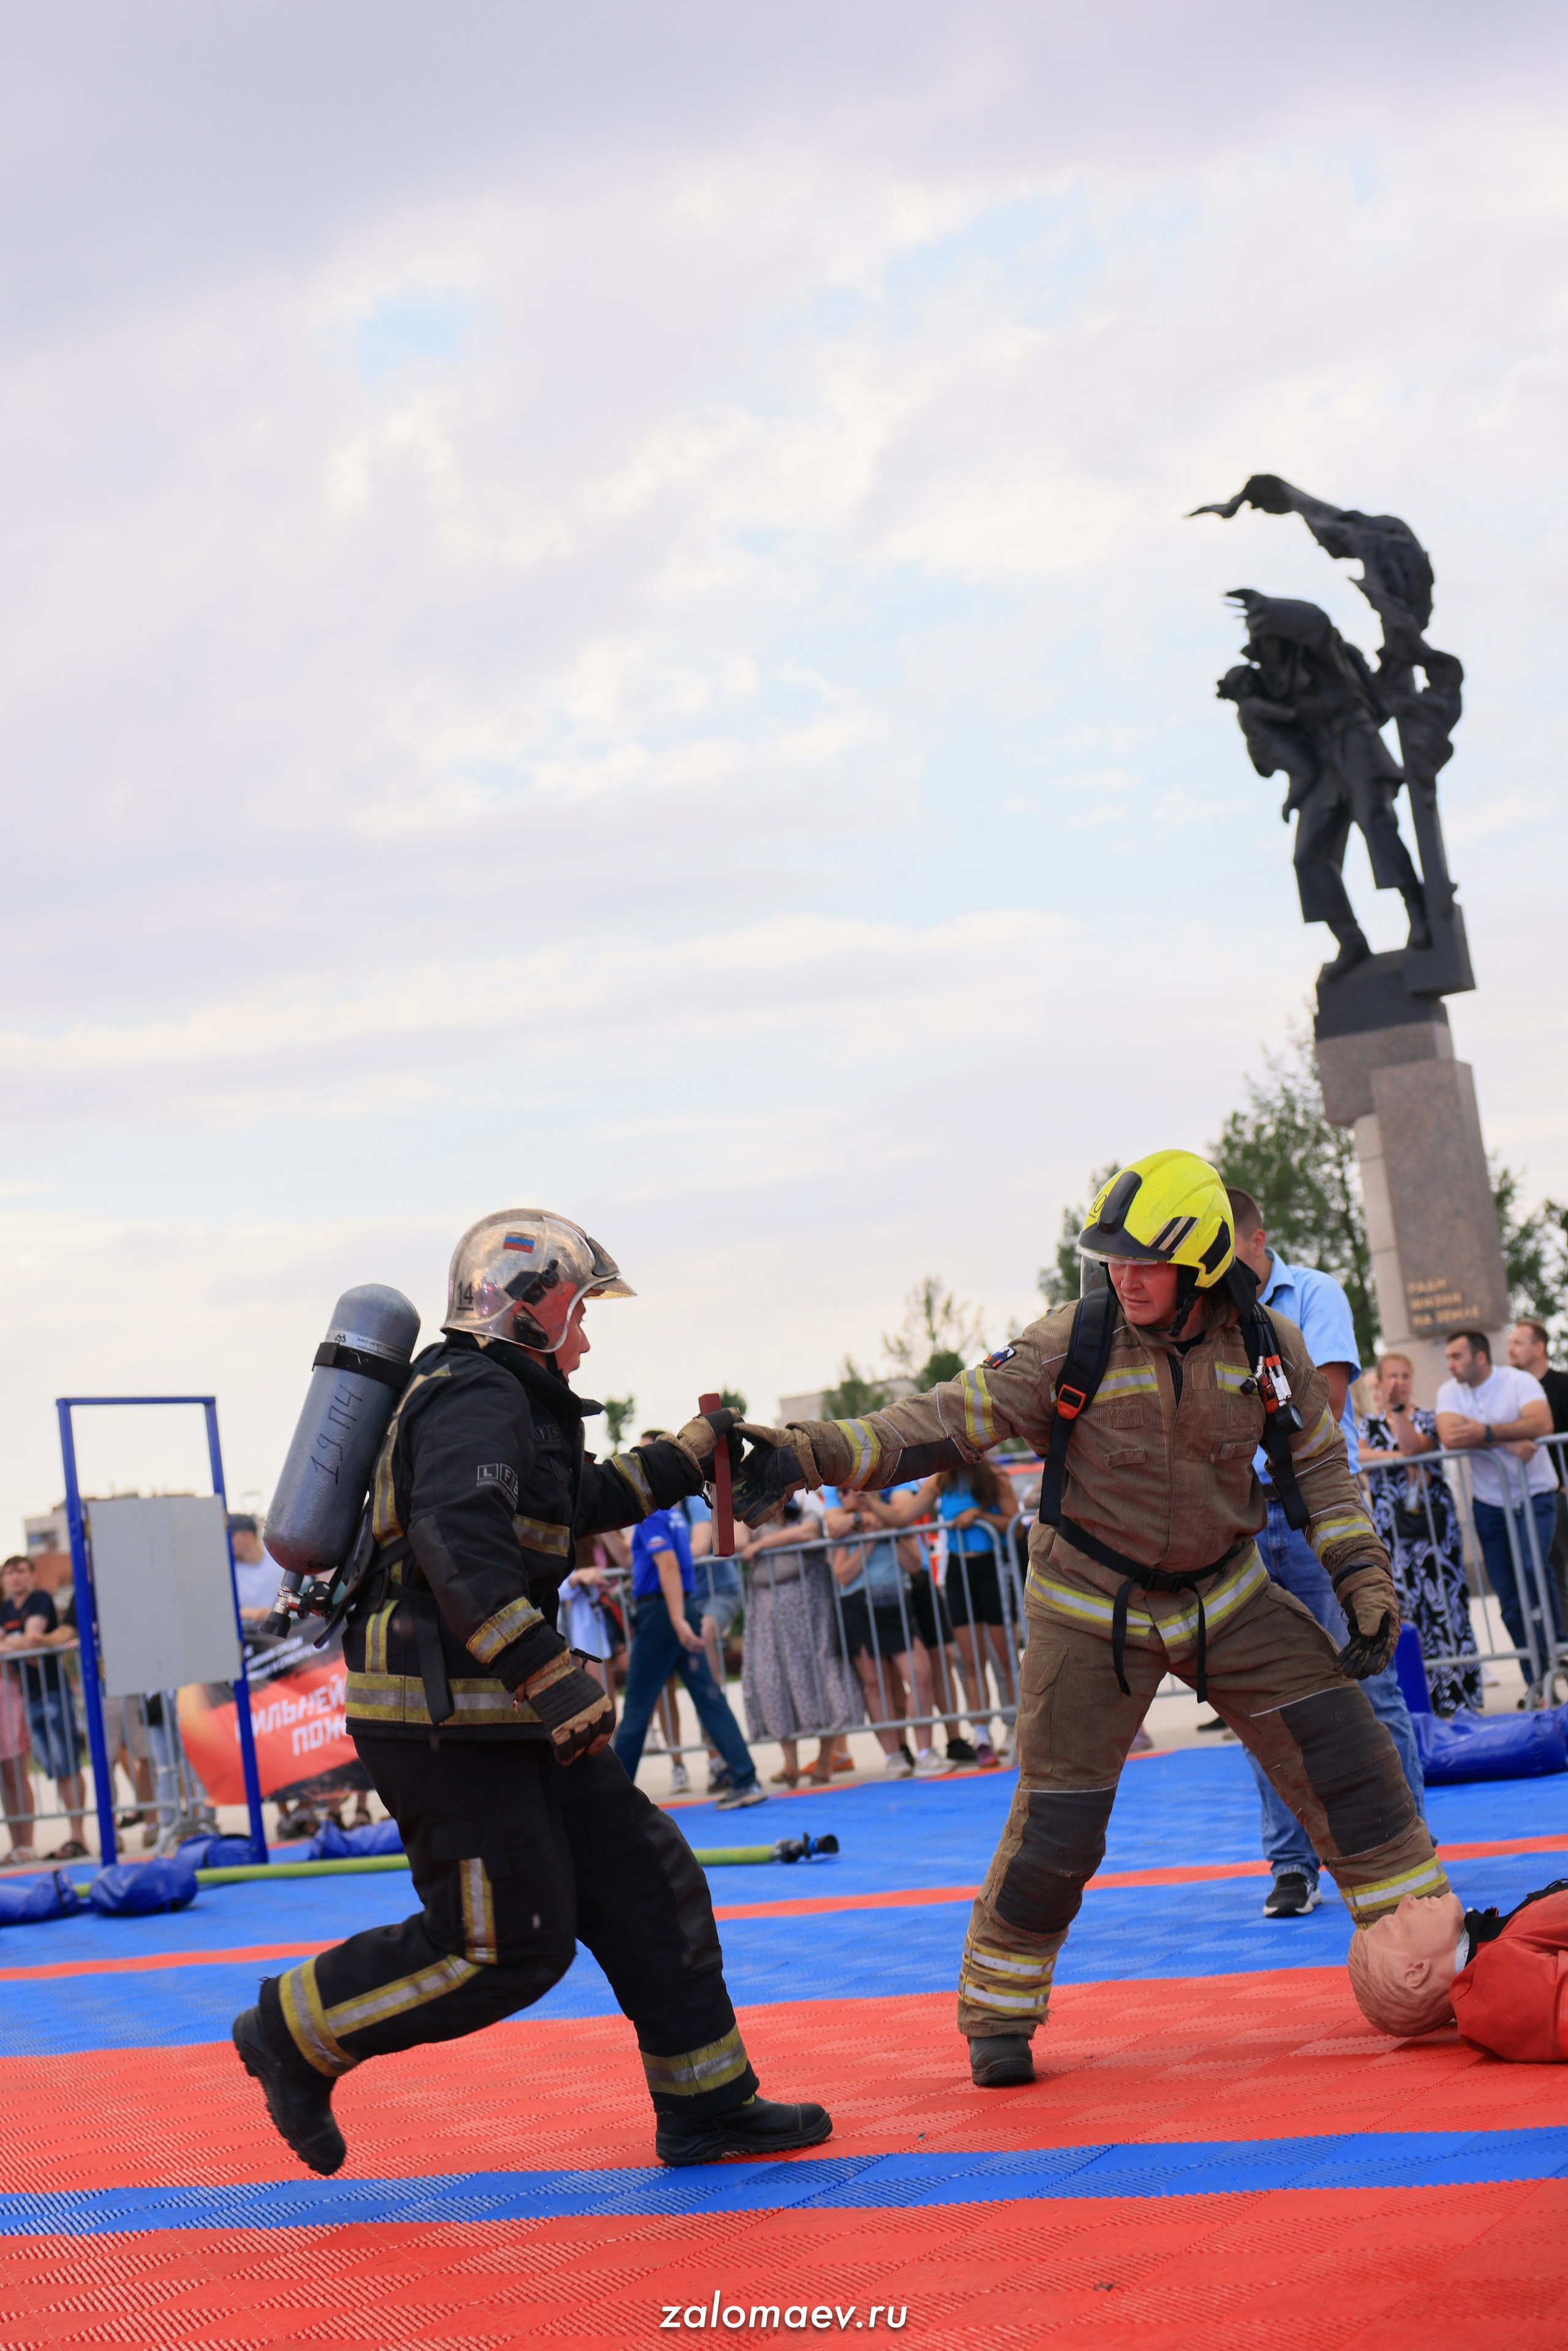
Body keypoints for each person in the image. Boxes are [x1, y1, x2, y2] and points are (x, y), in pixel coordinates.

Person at [730, 1151, 1446, 2088]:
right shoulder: (1074, 1340)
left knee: (1349, 1755)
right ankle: (998, 2008)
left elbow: (1321, 1472)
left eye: (1144, 1261)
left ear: (1202, 1262)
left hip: (1228, 1596)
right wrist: (802, 1453)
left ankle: (1425, 1953)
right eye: (1112, 1259)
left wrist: (1364, 1580)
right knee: (1058, 1826)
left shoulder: (1268, 1346)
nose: (1123, 1275)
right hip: (1087, 1610)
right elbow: (943, 1420)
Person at [232, 1209, 827, 2178]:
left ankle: (707, 2106)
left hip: (498, 1715)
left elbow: (572, 1503)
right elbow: (459, 1544)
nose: (586, 1338)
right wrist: (553, 1677)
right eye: (580, 1313)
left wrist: (689, 1452)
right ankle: (291, 2032)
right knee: (507, 1943)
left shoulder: (508, 1401)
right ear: (529, 1312)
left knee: (646, 1882)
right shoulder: (471, 1396)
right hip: (446, 1722)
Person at [1224, 1191, 1427, 1917]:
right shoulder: (1200, 1310)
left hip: (1319, 1517)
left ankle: (1407, 1846)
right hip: (1240, 1526)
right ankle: (1290, 1865)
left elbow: (1322, 1408)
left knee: (1367, 1684)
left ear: (1256, 1238)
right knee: (1259, 1700)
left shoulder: (1313, 1294)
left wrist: (1233, 1423)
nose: (1208, 1262)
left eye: (1223, 1243)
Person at [610, 1494, 765, 1807]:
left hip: (662, 1614)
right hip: (680, 1609)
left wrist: (677, 1618)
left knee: (638, 1708)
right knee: (710, 1698)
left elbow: (666, 1563)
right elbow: (641, 1559)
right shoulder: (673, 1514)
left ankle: (614, 1799)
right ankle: (746, 1778)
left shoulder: (651, 1516)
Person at [1357, 1351, 1480, 1713]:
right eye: (1391, 1376)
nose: (1398, 1383)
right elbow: (1359, 1455)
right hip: (1395, 1538)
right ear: (1379, 1383)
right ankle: (1417, 1698)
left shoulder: (1428, 1419)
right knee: (1404, 1611)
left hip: (1434, 1536)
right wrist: (1399, 1460)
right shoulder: (1368, 1426)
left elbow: (1415, 1447)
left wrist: (1399, 1419)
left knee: (1444, 1607)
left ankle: (1457, 1696)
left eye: (1404, 1376)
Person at [1436, 1329, 1560, 1671]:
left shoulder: (1517, 1381)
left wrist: (1485, 1432)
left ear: (1480, 1357)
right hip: (1489, 1503)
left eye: (1456, 1357)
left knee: (1534, 1566)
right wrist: (1506, 1439)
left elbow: (1542, 1422)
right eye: (1448, 1357)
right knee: (1507, 1594)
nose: (1450, 1365)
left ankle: (1558, 1645)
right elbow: (1449, 1436)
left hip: (1534, 1492)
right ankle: (1535, 1675)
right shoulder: (1449, 1391)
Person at [1347, 1878, 1568, 2057]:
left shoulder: (1495, 1952)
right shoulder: (1496, 1986)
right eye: (1397, 1924)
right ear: (1416, 1973)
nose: (1407, 1900)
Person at [827, 1487, 952, 1778]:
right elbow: (843, 1574)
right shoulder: (843, 1526)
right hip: (858, 1605)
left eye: (860, 1491)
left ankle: (924, 1752)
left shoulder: (893, 1519)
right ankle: (894, 1756)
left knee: (920, 1674)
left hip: (897, 1599)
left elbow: (913, 1564)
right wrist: (869, 1540)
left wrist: (888, 1529)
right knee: (876, 1683)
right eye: (845, 1492)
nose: (852, 1496)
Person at [739, 1500, 862, 1786]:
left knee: (823, 1675)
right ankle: (790, 1764)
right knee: (772, 1680)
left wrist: (762, 1546)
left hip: (812, 1608)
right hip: (767, 1610)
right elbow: (738, 1543)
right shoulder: (750, 1516)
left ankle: (825, 1760)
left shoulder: (807, 1508)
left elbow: (810, 1532)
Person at [905, 1462, 1019, 1765]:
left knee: (1007, 1659)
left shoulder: (995, 1476)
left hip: (992, 1567)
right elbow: (905, 1516)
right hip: (958, 1572)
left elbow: (1016, 1525)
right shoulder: (942, 1478)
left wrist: (980, 1515)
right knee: (971, 1662)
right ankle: (982, 1735)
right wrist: (871, 1502)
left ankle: (1016, 1727)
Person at [0, 1554, 88, 1857]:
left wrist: (12, 1643)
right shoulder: (6, 1608)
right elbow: (25, 1643)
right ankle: (55, 1838)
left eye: (21, 1571)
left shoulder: (39, 1599)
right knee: (53, 1767)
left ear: (32, 1575)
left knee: (67, 1764)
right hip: (29, 1694)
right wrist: (21, 1643)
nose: (15, 1577)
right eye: (9, 1572)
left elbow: (31, 1643)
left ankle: (78, 1836)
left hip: (52, 1689)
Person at [1507, 1318, 1568, 1635]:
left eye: (1518, 1342)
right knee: (1552, 1568)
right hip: (1532, 1494)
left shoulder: (1562, 1384)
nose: (1510, 1348)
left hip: (1559, 1491)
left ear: (1539, 1347)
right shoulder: (1513, 1391)